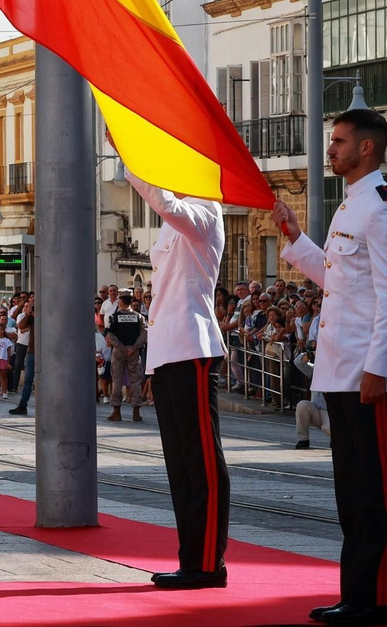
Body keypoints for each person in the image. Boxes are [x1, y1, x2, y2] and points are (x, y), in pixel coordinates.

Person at [273, 108, 387, 627]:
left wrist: (377, 368)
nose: (330, 149)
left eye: (338, 141)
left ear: (366, 149)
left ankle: (378, 599)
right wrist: (294, 238)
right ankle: (355, 594)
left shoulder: (384, 209)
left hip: (365, 373)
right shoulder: (350, 207)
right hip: (339, 370)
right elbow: (339, 281)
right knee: (351, 493)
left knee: (377, 492)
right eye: (331, 140)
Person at [121, 148, 229, 590]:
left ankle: (208, 563)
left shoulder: (206, 212)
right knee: (180, 464)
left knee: (202, 462)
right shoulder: (176, 220)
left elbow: (167, 203)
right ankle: (191, 559)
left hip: (193, 347)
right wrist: (151, 364)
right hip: (167, 351)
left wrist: (133, 156)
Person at [105, 287, 147, 423]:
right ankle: (136, 412)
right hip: (134, 353)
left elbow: (110, 334)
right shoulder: (139, 317)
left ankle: (116, 411)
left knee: (117, 381)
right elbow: (144, 334)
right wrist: (134, 347)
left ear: (121, 301)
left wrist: (121, 347)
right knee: (135, 381)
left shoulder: (115, 317)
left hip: (119, 352)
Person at [9, 296, 36, 415]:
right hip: (32, 351)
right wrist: (29, 314)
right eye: (30, 306)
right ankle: (22, 405)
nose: (32, 307)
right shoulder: (31, 317)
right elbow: (21, 325)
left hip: (46, 353)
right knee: (28, 380)